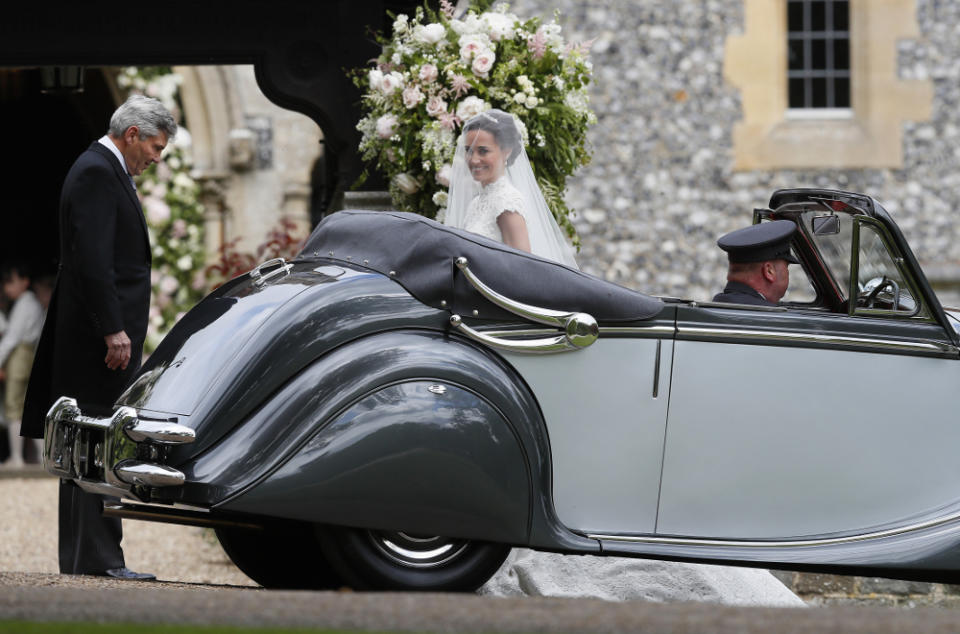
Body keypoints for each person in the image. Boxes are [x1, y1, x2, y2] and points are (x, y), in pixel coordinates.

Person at [21, 94, 177, 580]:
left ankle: (86, 559)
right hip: (97, 342)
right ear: (132, 135)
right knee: (99, 444)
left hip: (95, 337)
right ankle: (100, 560)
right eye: (154, 146)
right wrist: (114, 330)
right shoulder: (96, 171)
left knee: (86, 446)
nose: (156, 157)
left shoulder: (103, 170)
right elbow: (92, 260)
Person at [444, 109, 578, 269]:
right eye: (468, 150)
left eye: (483, 151)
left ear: (506, 152)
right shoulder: (476, 203)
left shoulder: (506, 203)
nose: (473, 159)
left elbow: (521, 270)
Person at [0, 262, 43, 468]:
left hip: (19, 356)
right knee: (27, 407)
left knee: (14, 406)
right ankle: (40, 457)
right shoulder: (32, 302)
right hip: (28, 356)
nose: (7, 287)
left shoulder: (25, 304)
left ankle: (17, 457)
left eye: (11, 282)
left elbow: (11, 338)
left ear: (24, 282)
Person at [712, 220, 799, 306]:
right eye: (786, 267)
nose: (787, 273)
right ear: (769, 271)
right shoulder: (769, 316)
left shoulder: (718, 305)